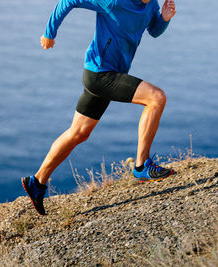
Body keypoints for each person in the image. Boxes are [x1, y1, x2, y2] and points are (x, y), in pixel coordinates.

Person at [22, 0, 176, 215]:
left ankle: (36, 182)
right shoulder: (113, 1)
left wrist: (164, 19)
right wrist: (50, 33)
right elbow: (69, 0)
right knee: (156, 98)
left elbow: (154, 30)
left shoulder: (151, 5)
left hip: (110, 74)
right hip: (99, 75)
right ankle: (141, 166)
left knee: (78, 133)